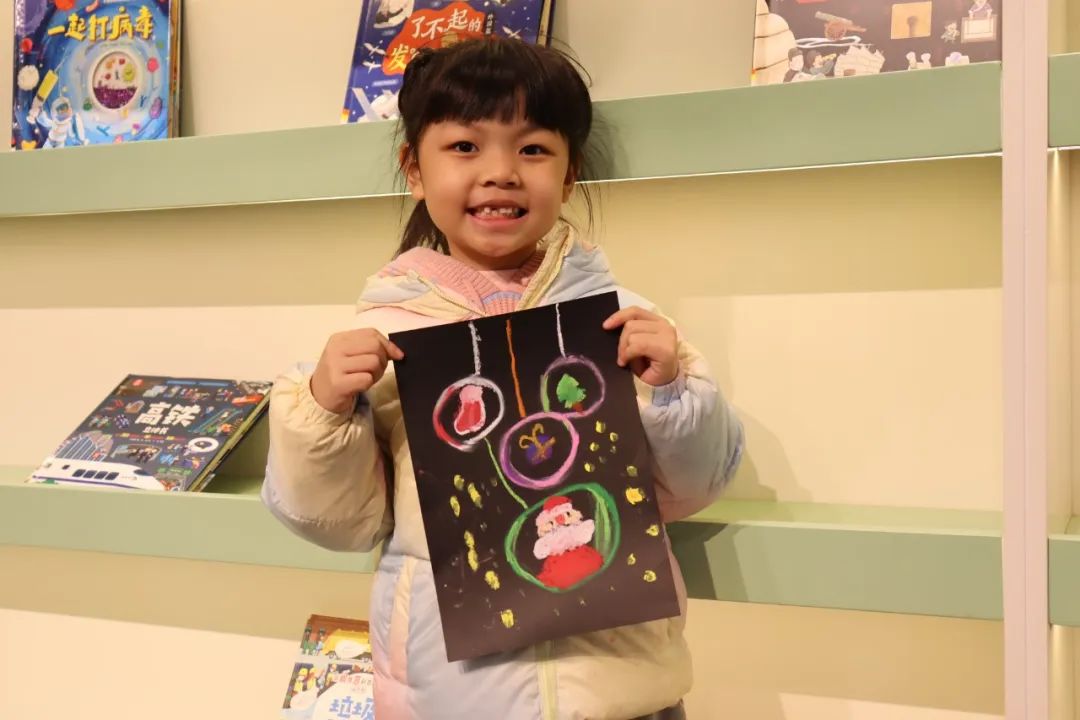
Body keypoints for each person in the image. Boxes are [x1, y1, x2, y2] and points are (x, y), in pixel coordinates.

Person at [262, 36, 743, 720]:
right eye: (464, 146)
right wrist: (323, 409)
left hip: (621, 694)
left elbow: (693, 486)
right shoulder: (386, 340)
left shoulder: (622, 324)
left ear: (570, 176)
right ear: (414, 169)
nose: (500, 173)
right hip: (453, 694)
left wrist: (669, 391)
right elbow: (339, 522)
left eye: (534, 149)